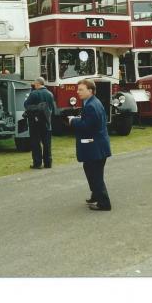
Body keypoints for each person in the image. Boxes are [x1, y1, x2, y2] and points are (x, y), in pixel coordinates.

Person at [67, 78, 111, 211]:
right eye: (78, 89)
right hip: (96, 145)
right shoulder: (92, 103)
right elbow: (90, 121)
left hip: (95, 146)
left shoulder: (91, 105)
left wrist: (73, 121)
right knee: (90, 170)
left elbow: (88, 126)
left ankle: (104, 203)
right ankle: (96, 195)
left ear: (90, 91)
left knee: (95, 174)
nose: (78, 92)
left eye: (81, 89)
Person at [23, 76, 56, 169]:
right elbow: (52, 108)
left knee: (36, 142)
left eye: (34, 83)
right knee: (47, 143)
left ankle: (37, 163)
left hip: (35, 121)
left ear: (37, 84)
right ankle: (48, 163)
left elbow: (26, 105)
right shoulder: (50, 94)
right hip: (46, 121)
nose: (34, 85)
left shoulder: (34, 93)